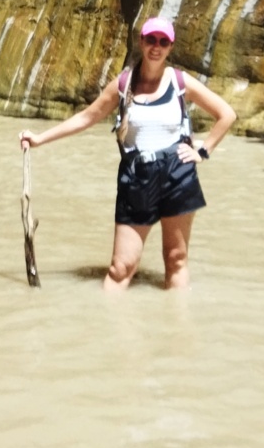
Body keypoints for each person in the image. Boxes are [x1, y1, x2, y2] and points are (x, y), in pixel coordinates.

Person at [19, 16, 236, 291]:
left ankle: (176, 330)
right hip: (136, 177)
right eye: (150, 40)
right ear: (141, 42)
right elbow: (87, 118)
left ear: (170, 47)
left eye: (163, 41)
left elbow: (226, 115)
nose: (156, 47)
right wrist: (39, 139)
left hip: (178, 173)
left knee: (176, 259)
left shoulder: (181, 82)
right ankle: (107, 330)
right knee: (120, 269)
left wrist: (203, 151)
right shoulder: (123, 85)